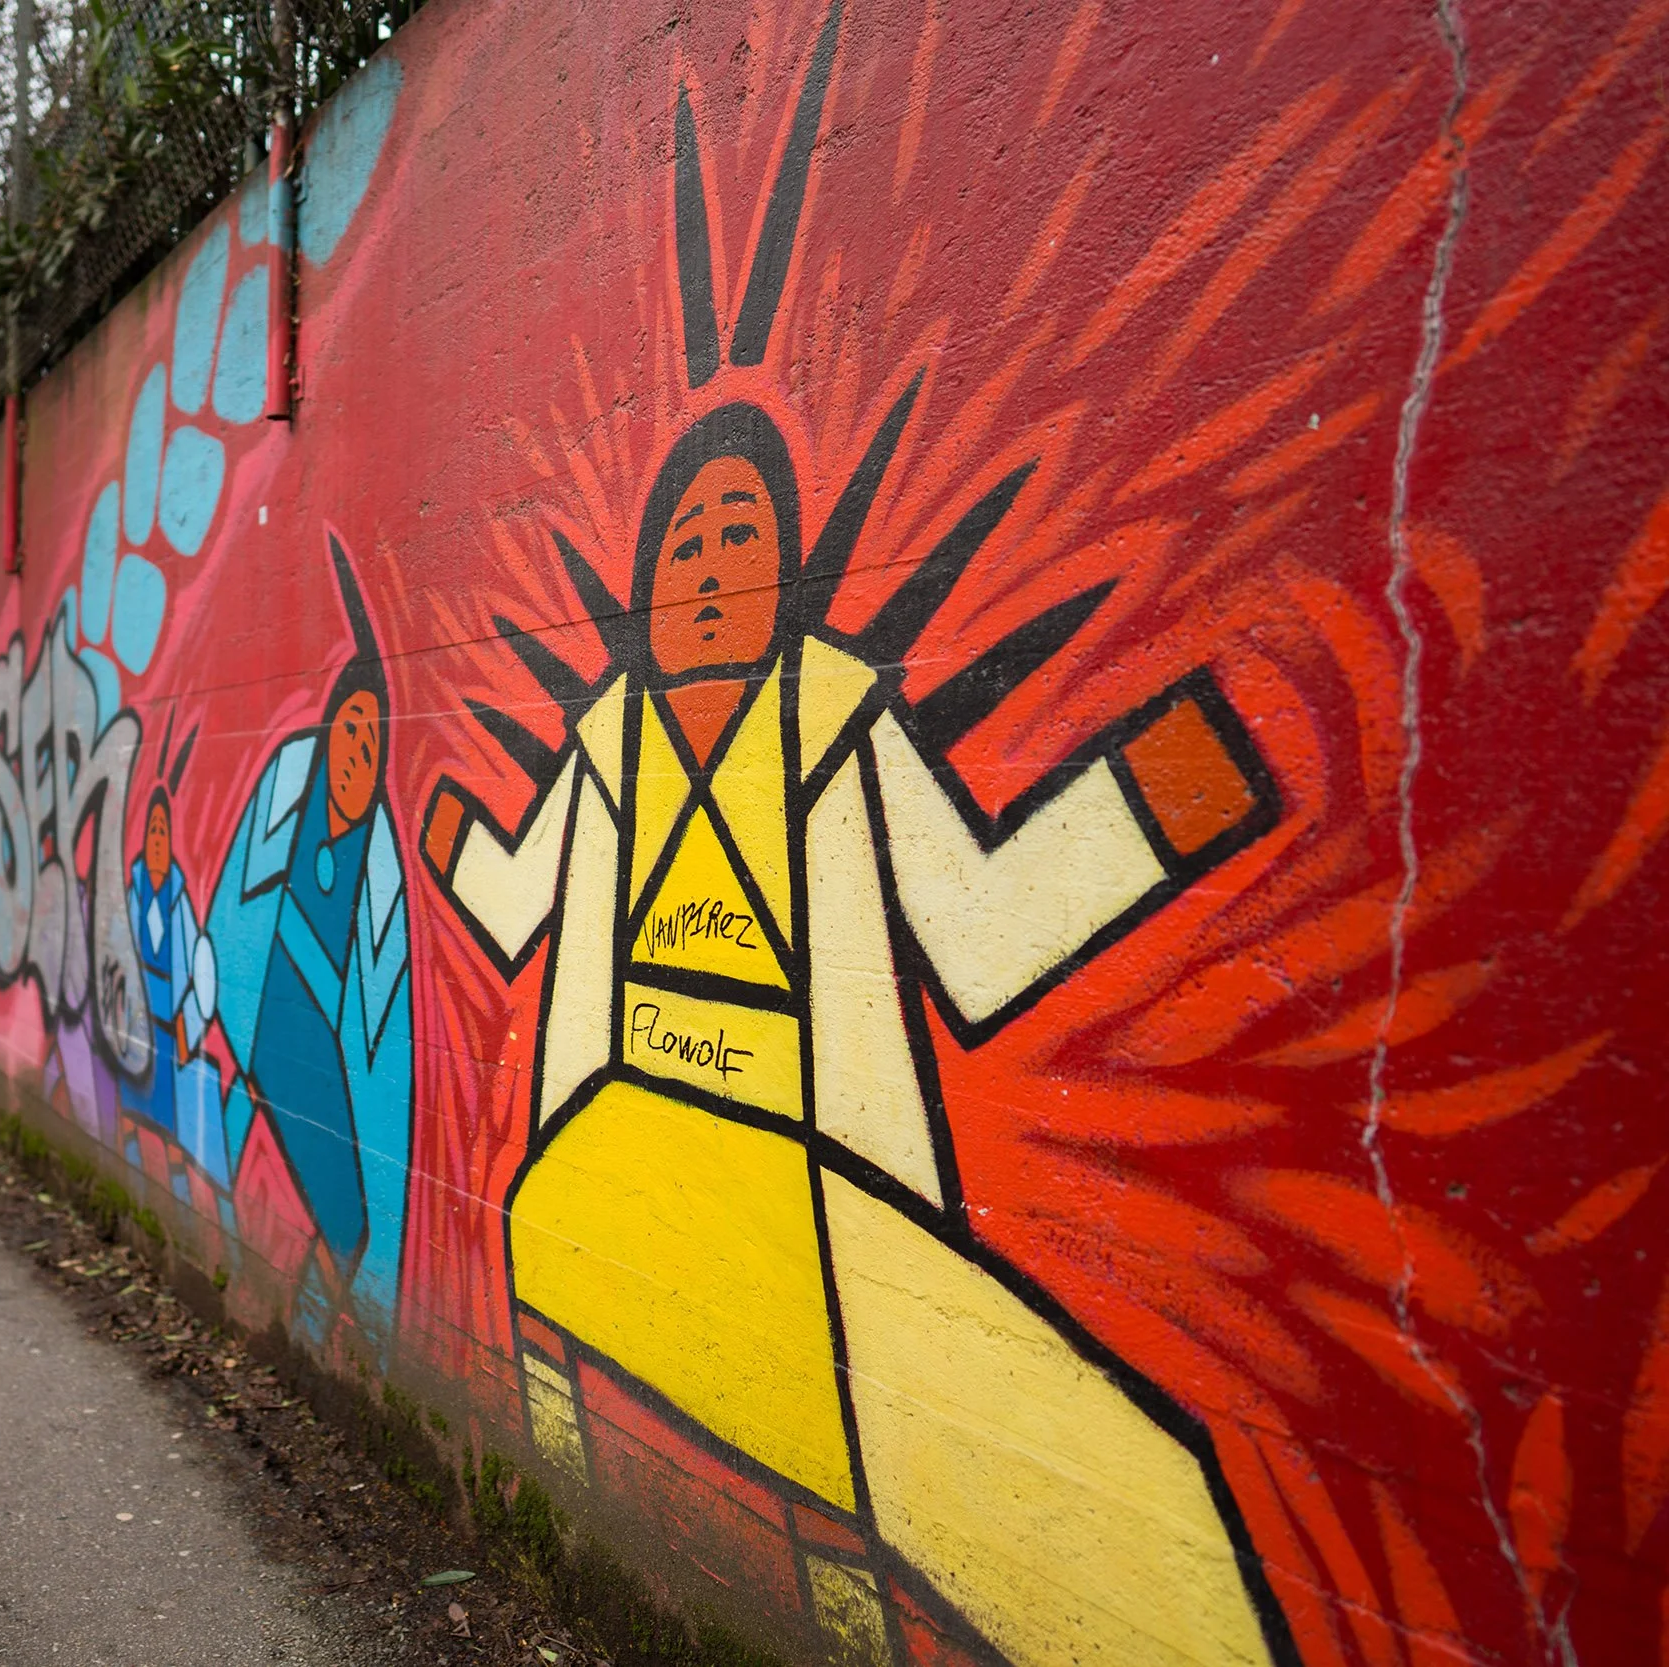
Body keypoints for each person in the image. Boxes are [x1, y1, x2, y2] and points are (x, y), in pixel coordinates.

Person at [422, 403, 1283, 1667]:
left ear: (792, 576)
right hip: (615, 1149)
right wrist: (443, 834)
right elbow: (516, 899)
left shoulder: (840, 724)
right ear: (643, 589)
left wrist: (1145, 805)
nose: (711, 569)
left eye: (741, 535)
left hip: (821, 1184)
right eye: (686, 546)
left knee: (1121, 1484)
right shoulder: (606, 745)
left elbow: (980, 938)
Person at [204, 540, 414, 1355]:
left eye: (375, 738)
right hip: (265, 1025)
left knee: (353, 1224)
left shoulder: (383, 858)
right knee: (329, 1208)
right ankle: (308, 1318)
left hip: (317, 1055)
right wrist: (216, 1016)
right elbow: (232, 903)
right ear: (331, 727)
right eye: (352, 727)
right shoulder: (290, 779)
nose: (359, 750)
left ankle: (314, 1326)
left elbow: (379, 1015)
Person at [122, 787, 220, 1193]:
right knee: (131, 1116)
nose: (158, 839)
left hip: (168, 1029)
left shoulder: (177, 898)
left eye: (164, 830)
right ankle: (133, 1188)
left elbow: (200, 967)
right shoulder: (135, 892)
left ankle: (176, 1202)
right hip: (140, 1025)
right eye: (153, 830)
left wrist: (189, 1026)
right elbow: (122, 952)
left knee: (175, 1136)